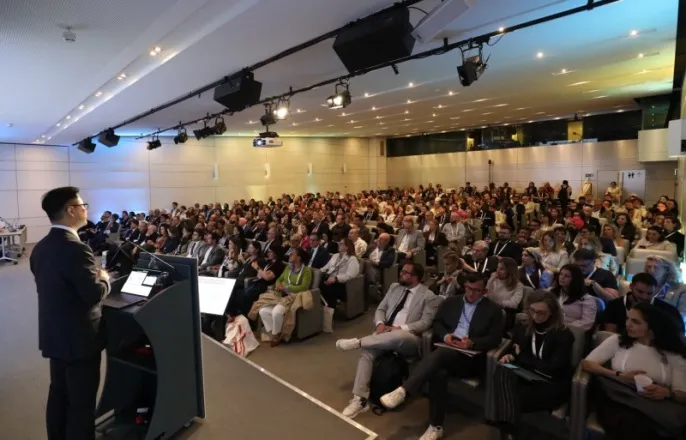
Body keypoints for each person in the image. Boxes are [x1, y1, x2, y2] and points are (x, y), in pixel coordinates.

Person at [379, 273, 505, 440]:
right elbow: (437, 323)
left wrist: (472, 343)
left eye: (476, 290)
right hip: (448, 349)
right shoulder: (452, 302)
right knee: (439, 373)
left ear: (485, 291)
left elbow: (495, 338)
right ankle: (435, 426)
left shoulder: (493, 310)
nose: (471, 293)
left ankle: (405, 390)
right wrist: (446, 336)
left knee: (442, 354)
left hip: (471, 359)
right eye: (468, 288)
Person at [30, 186, 111, 440]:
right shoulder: (76, 248)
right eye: (82, 205)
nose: (86, 209)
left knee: (59, 394)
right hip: (80, 339)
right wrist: (104, 278)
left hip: (54, 334)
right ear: (71, 210)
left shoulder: (40, 247)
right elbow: (93, 293)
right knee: (81, 403)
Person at [335, 262, 440, 419]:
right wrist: (380, 324)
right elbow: (381, 309)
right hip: (383, 334)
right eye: (401, 271)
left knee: (398, 335)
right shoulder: (394, 287)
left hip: (409, 339)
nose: (400, 274)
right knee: (367, 352)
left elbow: (425, 323)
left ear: (416, 277)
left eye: (405, 272)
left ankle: (358, 342)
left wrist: (400, 328)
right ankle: (360, 399)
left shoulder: (429, 296)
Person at [581, 303, 686, 440]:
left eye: (635, 322)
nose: (628, 325)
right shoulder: (618, 341)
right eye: (627, 319)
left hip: (655, 404)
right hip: (618, 397)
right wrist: (618, 375)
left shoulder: (672, 354)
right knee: (632, 424)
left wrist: (668, 393)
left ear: (652, 327)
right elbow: (587, 364)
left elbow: (682, 394)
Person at [489, 290, 575, 439]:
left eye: (541, 313)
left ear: (552, 312)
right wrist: (510, 356)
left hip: (550, 383)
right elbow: (512, 350)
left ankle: (508, 432)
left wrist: (521, 357)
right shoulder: (524, 327)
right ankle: (510, 433)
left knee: (509, 396)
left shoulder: (563, 335)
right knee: (502, 371)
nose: (535, 316)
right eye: (532, 311)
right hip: (526, 375)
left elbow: (553, 368)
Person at [258, 248, 313, 346]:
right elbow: (279, 279)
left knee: (276, 312)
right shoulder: (288, 267)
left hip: (294, 296)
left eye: (293, 254)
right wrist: (279, 285)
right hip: (281, 294)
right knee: (263, 311)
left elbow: (304, 287)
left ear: (299, 258)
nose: (290, 255)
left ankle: (276, 335)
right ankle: (275, 333)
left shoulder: (306, 271)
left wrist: (286, 287)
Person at [604, 273, 684, 334]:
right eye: (640, 292)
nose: (644, 297)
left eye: (649, 293)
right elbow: (610, 335)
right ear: (631, 286)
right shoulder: (614, 305)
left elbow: (679, 335)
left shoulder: (667, 310)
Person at [550, 264, 597, 330]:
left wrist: (565, 327)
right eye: (561, 274)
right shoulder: (552, 292)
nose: (562, 277)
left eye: (567, 276)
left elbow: (587, 322)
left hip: (573, 330)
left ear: (575, 279)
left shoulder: (587, 299)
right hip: (552, 327)